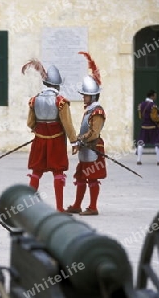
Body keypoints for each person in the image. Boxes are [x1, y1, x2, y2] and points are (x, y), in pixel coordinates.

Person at [22, 60, 78, 213]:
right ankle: (59, 207)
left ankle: (29, 207)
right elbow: (67, 124)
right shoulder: (60, 101)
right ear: (57, 85)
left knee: (36, 172)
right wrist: (74, 142)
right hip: (57, 141)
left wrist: (38, 130)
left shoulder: (34, 100)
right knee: (58, 172)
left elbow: (30, 122)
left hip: (39, 140)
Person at [66, 52, 106, 216]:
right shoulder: (89, 109)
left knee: (92, 178)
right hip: (85, 148)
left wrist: (79, 139)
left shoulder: (97, 111)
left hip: (93, 148)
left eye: (86, 95)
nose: (83, 98)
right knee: (81, 177)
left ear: (93, 96)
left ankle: (93, 207)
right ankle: (77, 205)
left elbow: (93, 132)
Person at [136, 90, 159, 166]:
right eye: (155, 95)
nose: (155, 97)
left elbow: (140, 116)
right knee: (157, 143)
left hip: (144, 126)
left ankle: (138, 160)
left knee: (141, 143)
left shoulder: (141, 104)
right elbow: (154, 117)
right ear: (152, 96)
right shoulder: (153, 105)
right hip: (153, 127)